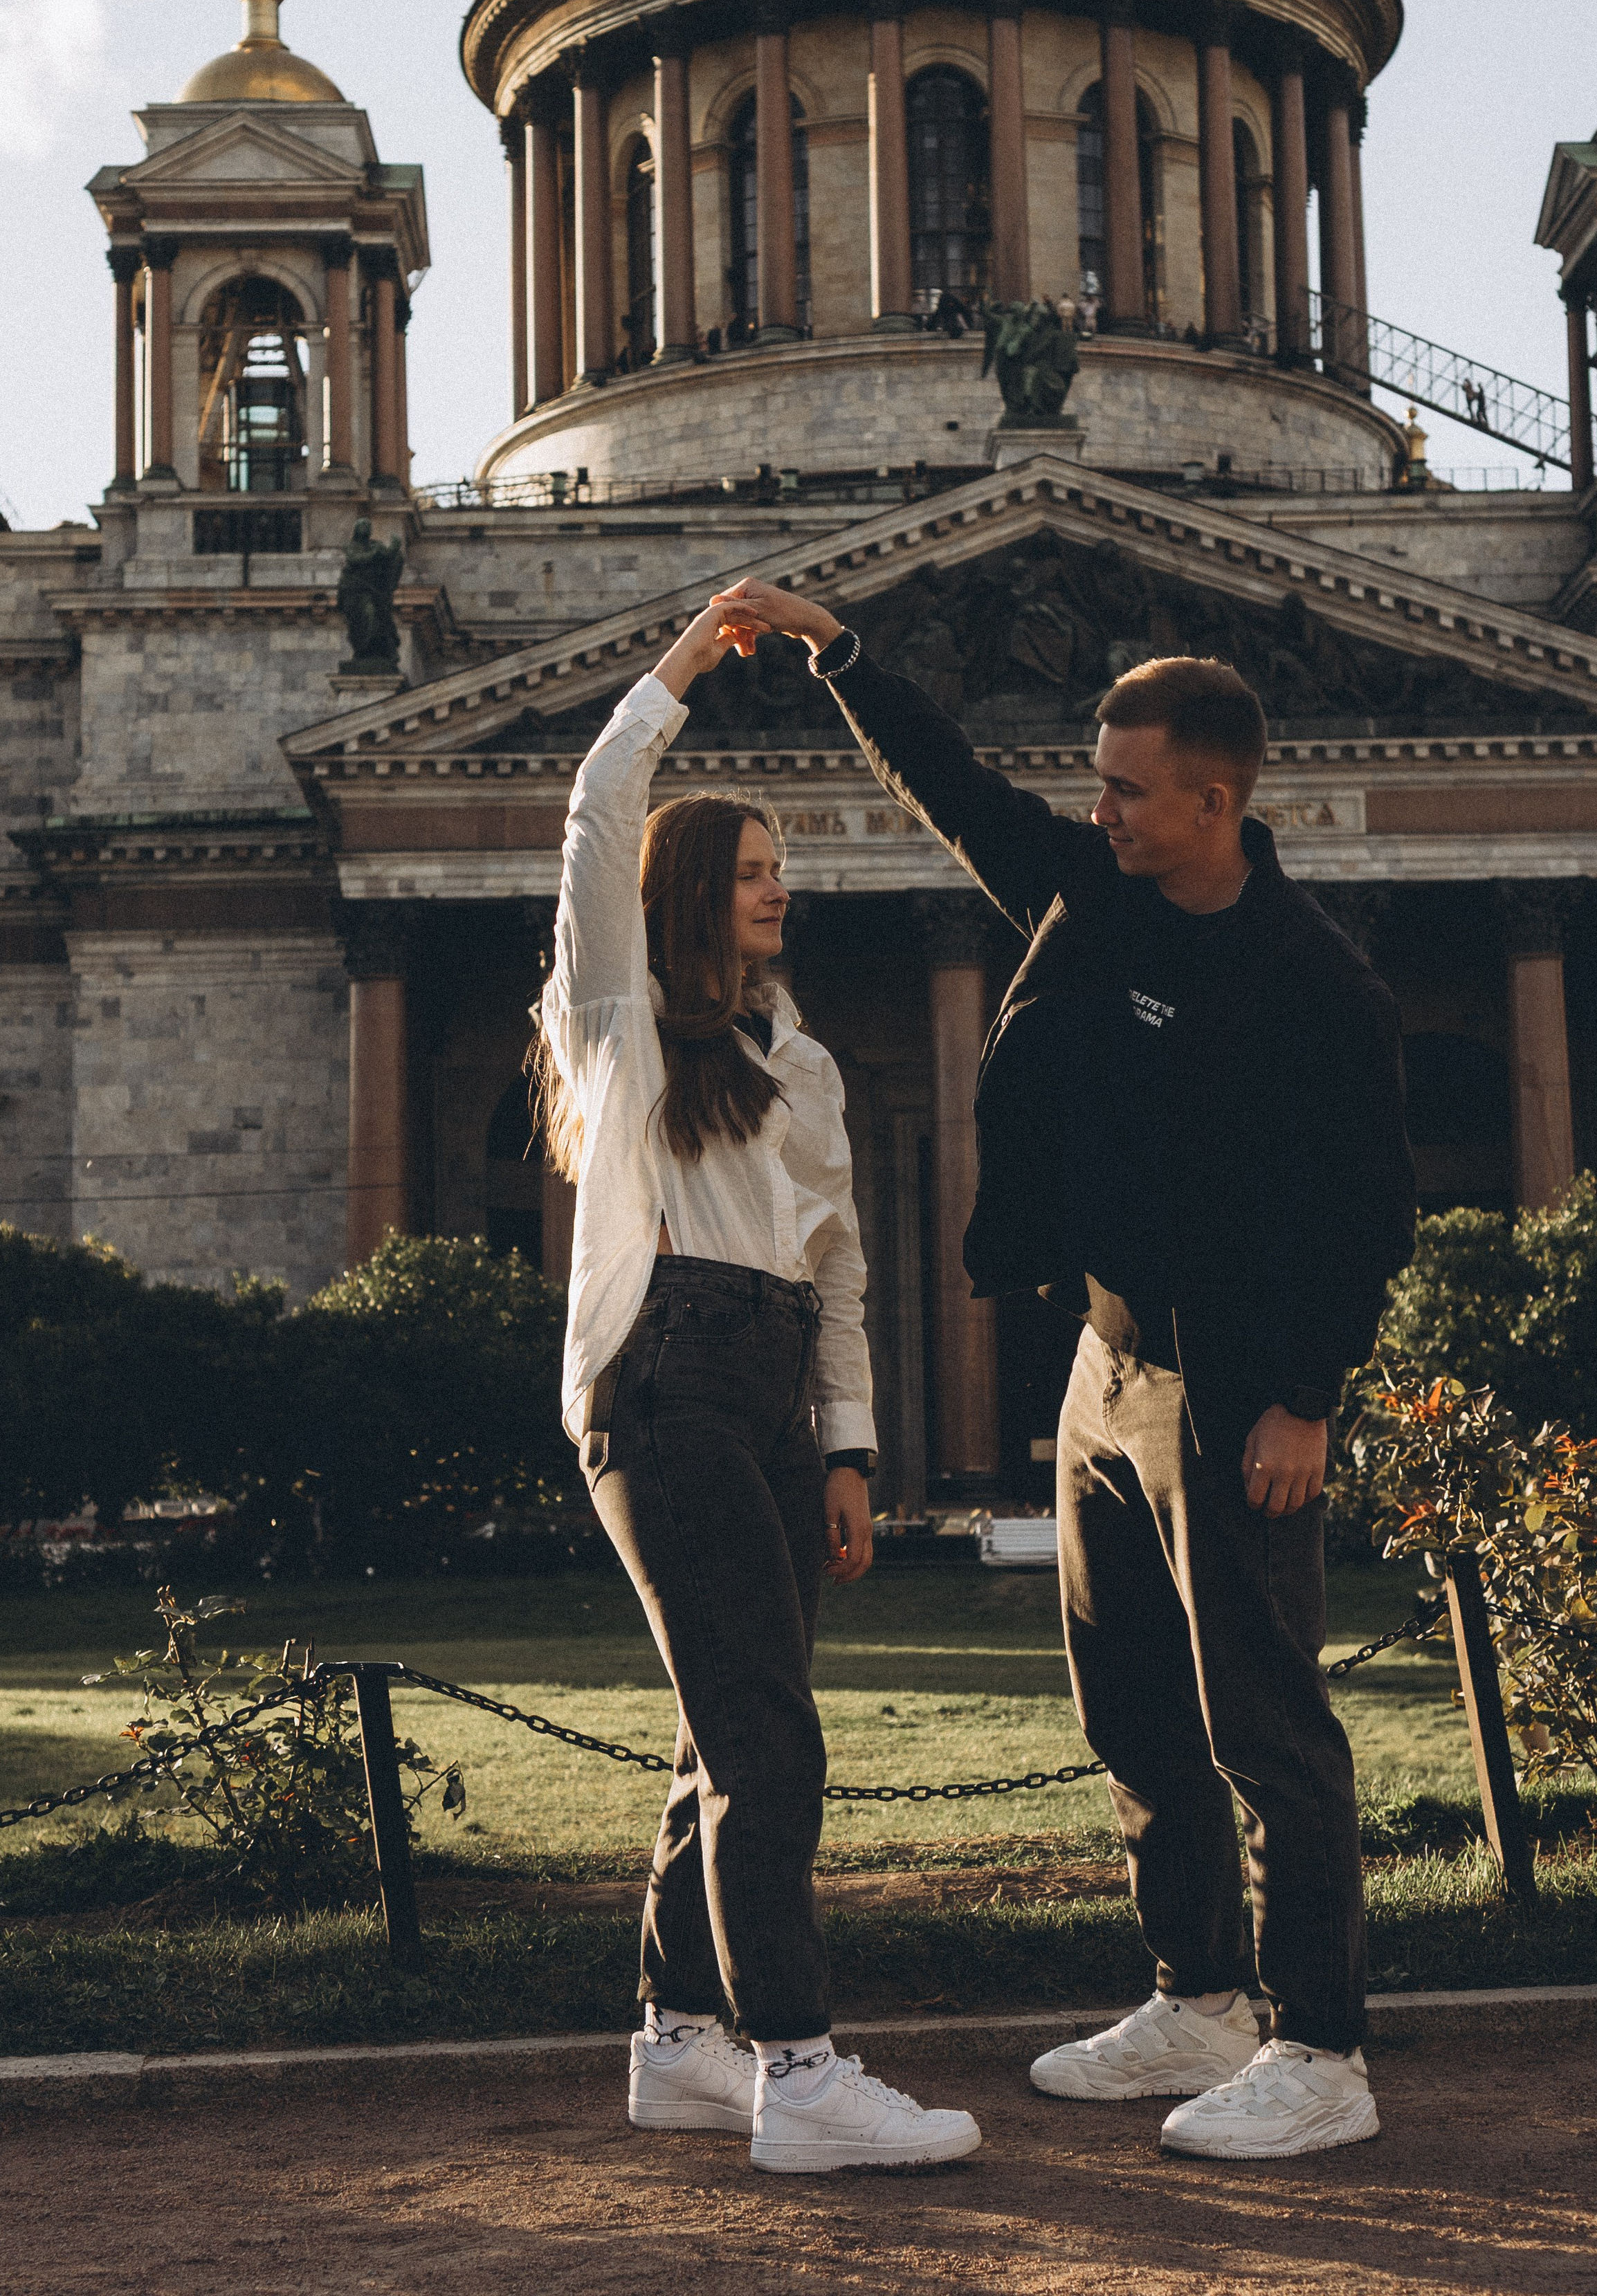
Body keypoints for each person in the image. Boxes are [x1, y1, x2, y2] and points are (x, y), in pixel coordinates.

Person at [711, 576, 1416, 2163]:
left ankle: (1321, 2046)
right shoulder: (1088, 894)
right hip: (1103, 1368)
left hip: (1237, 1387)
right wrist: (841, 659)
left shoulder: (1317, 984)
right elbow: (953, 787)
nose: (1090, 806)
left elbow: (1367, 1214)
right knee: (1135, 1714)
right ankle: (1199, 2000)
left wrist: (1303, 1395)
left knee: (1267, 1724)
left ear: (1211, 801)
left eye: (1121, 787)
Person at [535, 598, 982, 2174]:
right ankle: (797, 2068)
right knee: (765, 1739)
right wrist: (684, 664)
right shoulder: (618, 1037)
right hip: (664, 1383)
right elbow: (598, 807)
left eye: (779, 866)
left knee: (710, 1733)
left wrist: (850, 1450)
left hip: (774, 1393)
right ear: (684, 898)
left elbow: (842, 1270)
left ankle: (676, 2039)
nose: (778, 885)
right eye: (748, 867)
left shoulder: (803, 1064)